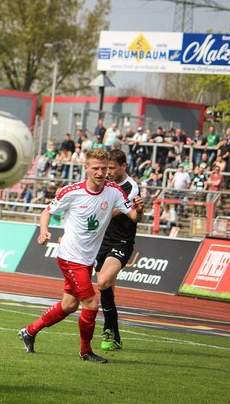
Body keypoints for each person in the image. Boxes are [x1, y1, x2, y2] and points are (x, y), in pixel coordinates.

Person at [18, 147, 143, 363]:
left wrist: (139, 211)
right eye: (95, 168)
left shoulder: (114, 191)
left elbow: (133, 216)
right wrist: (43, 231)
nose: (100, 172)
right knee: (91, 304)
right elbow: (47, 211)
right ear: (86, 168)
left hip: (87, 259)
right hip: (70, 257)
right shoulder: (72, 191)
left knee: (69, 305)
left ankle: (29, 331)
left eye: (104, 168)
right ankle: (85, 351)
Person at [94, 149, 140, 351]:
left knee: (103, 282)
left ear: (123, 166)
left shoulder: (131, 187)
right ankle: (115, 337)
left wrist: (94, 216)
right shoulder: (104, 183)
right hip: (102, 242)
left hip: (121, 241)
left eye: (112, 168)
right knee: (107, 291)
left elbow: (117, 210)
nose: (108, 172)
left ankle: (107, 330)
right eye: (107, 168)